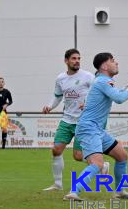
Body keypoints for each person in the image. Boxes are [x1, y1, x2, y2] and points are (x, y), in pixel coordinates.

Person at [63, 52, 128, 201]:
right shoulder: (102, 81)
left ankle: (120, 192)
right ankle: (73, 192)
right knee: (97, 163)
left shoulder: (103, 81)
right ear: (105, 66)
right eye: (113, 60)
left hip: (97, 129)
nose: (116, 63)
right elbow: (119, 98)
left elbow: (117, 92)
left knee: (122, 156)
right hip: (88, 128)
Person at [42, 49, 109, 191]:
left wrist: (89, 104)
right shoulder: (60, 78)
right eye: (73, 58)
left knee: (78, 156)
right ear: (66, 61)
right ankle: (58, 184)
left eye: (79, 58)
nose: (77, 61)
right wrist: (49, 106)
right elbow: (57, 96)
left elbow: (100, 92)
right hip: (67, 120)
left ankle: (102, 165)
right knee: (56, 150)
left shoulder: (88, 76)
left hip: (83, 121)